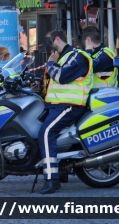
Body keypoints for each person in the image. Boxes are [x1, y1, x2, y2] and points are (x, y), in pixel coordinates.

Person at [35, 30, 93, 194]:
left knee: (46, 133)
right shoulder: (62, 57)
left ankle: (52, 179)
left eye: (50, 43)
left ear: (58, 39)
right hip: (57, 105)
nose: (48, 49)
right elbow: (54, 83)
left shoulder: (77, 56)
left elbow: (61, 77)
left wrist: (50, 64)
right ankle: (59, 168)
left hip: (70, 105)